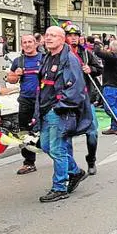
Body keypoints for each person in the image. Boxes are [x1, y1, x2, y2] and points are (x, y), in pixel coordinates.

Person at [34, 26, 91, 202]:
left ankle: (60, 187)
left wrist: (60, 106)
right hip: (46, 109)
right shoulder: (47, 57)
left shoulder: (70, 59)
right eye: (47, 35)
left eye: (53, 35)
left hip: (59, 111)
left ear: (62, 39)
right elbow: (43, 85)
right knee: (46, 146)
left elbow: (76, 88)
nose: (48, 38)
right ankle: (75, 171)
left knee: (57, 149)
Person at [64, 24, 103, 175]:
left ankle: (91, 159)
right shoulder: (61, 54)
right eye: (70, 35)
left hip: (85, 99)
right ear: (65, 37)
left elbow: (100, 69)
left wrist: (91, 69)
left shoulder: (86, 54)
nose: (73, 37)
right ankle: (71, 167)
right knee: (66, 135)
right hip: (67, 100)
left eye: (76, 35)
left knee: (92, 132)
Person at [7, 34, 42, 174]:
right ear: (22, 45)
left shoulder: (44, 59)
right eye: (24, 42)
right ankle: (29, 163)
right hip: (26, 100)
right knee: (24, 132)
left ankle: (60, 158)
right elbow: (10, 80)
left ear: (36, 44)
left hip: (43, 100)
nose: (27, 45)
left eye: (30, 42)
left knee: (50, 129)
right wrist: (16, 75)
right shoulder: (18, 61)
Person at [94, 39, 117, 135]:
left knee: (109, 107)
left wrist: (97, 43)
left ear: (110, 48)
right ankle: (114, 127)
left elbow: (98, 52)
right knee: (114, 106)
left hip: (111, 85)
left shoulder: (113, 57)